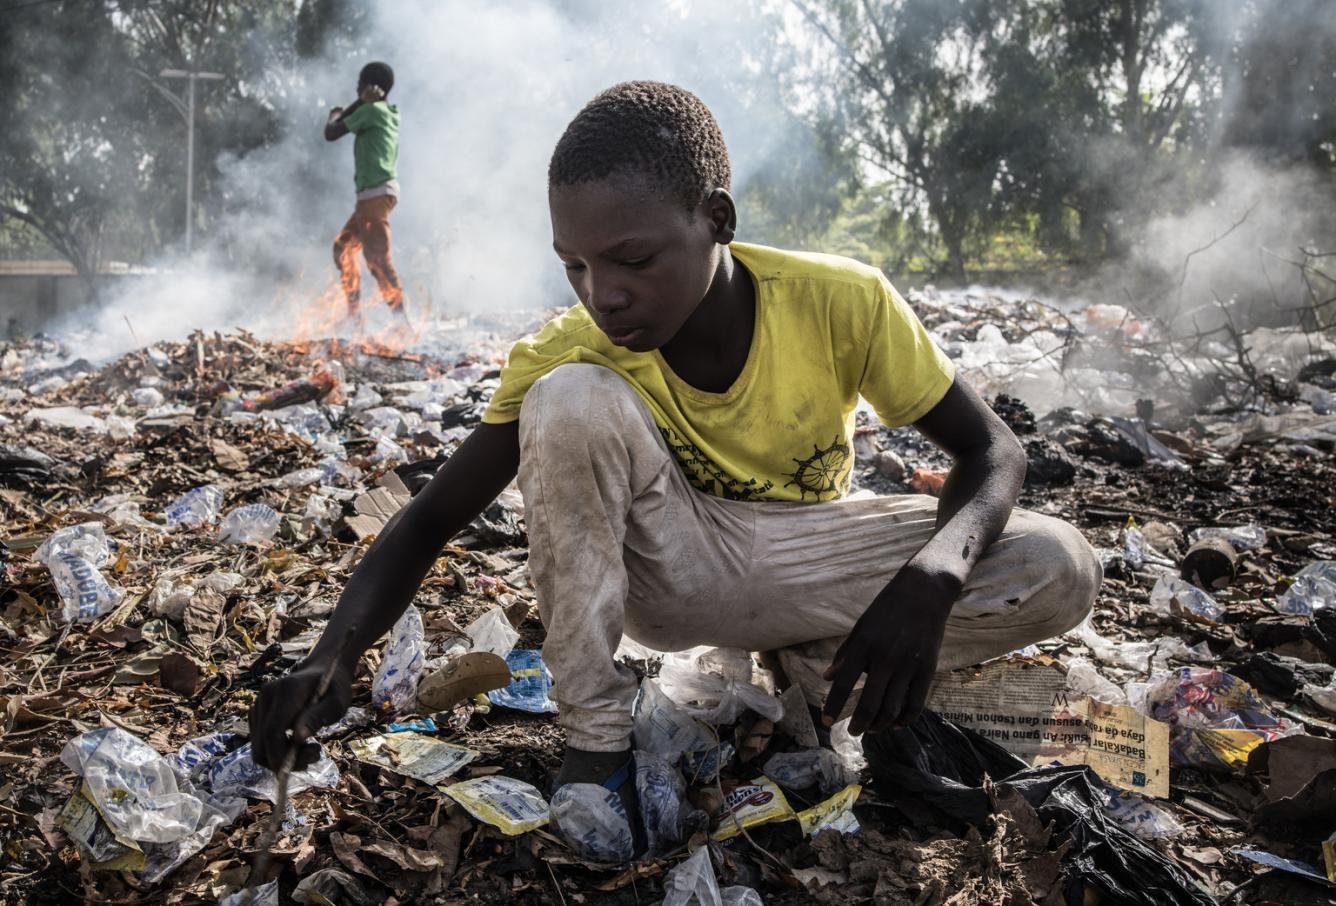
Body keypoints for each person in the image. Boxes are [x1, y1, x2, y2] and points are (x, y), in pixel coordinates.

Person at [252, 80, 1099, 846]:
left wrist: (932, 578)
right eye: (575, 266)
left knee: (1057, 562)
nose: (602, 293)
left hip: (813, 557)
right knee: (567, 398)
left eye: (633, 258)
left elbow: (991, 451)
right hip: (674, 569)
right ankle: (596, 744)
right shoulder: (572, 349)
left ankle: (813, 669)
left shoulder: (842, 301)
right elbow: (431, 518)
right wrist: (333, 654)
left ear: (716, 220)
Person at [325, 61, 405, 327]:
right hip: (373, 195)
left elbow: (332, 132)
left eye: (359, 83)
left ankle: (402, 323)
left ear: (368, 87)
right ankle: (354, 317)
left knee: (377, 258)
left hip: (375, 194)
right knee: (343, 249)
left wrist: (340, 111)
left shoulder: (372, 111)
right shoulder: (387, 111)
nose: (356, 88)